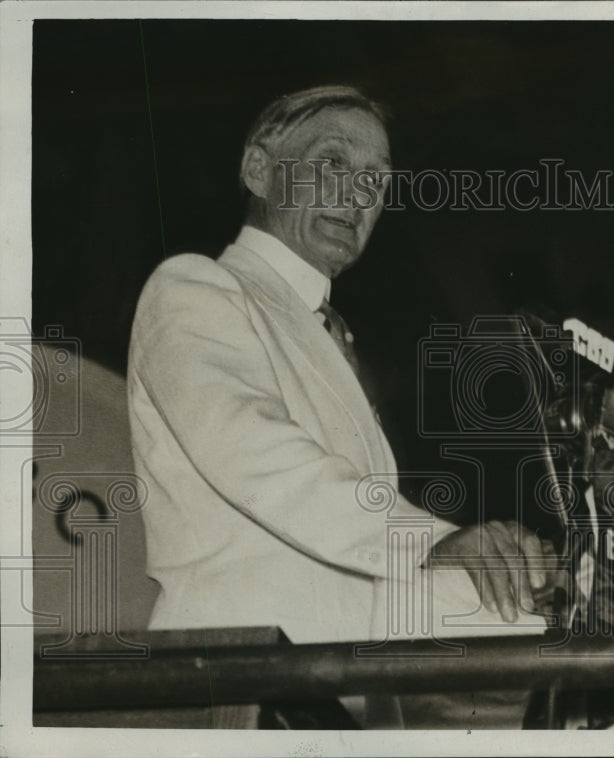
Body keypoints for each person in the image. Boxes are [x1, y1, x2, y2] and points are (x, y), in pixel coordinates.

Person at [127, 86, 548, 723]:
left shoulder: (328, 331)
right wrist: (438, 540)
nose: (357, 196)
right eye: (332, 163)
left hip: (345, 689)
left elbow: (358, 556)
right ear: (258, 169)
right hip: (241, 690)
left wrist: (526, 575)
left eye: (377, 183)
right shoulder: (196, 286)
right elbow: (260, 460)